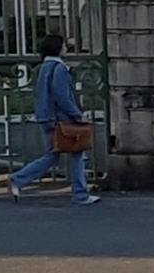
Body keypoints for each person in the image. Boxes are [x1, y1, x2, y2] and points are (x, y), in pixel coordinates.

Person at [10, 36, 97, 204]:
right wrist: (78, 115)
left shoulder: (46, 67)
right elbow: (63, 97)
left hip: (47, 116)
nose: (66, 48)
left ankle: (19, 179)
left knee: (52, 155)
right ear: (58, 48)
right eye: (64, 45)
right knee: (76, 152)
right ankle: (80, 194)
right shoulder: (60, 68)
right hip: (60, 118)